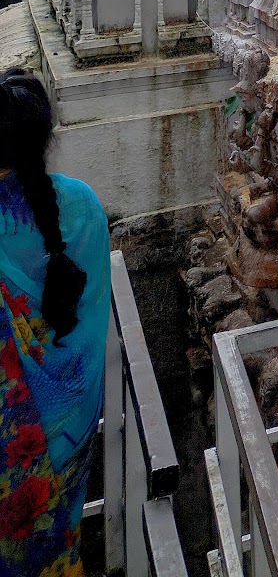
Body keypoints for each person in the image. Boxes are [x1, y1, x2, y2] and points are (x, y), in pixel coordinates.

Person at [0, 70, 110, 577]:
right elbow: (91, 318)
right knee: (59, 526)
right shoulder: (83, 205)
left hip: (12, 436)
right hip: (72, 419)